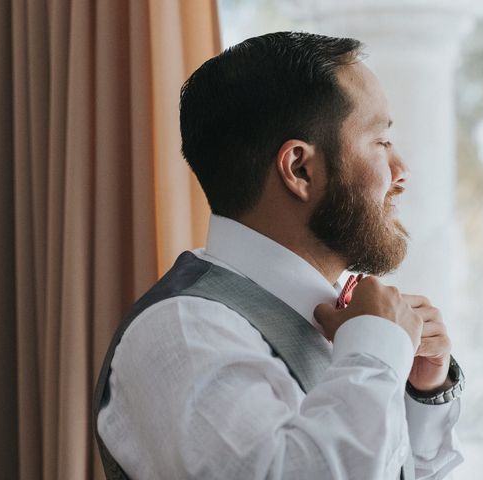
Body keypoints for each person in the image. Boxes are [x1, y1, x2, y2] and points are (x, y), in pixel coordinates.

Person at [94, 31, 464, 479]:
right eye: (381, 142)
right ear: (300, 169)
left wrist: (420, 397)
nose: (401, 171)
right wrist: (375, 351)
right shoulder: (181, 331)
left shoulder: (349, 327)